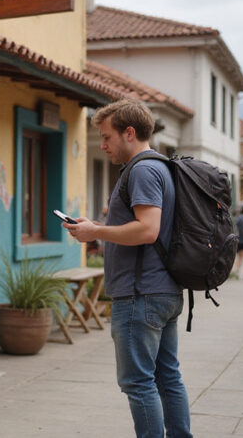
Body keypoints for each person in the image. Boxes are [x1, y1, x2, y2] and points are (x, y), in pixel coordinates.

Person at [64, 99, 191, 438]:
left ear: (129, 133)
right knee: (167, 377)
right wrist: (98, 227)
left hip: (141, 295)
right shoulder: (160, 167)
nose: (103, 145)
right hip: (160, 290)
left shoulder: (143, 170)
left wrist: (96, 231)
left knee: (138, 383)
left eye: (107, 137)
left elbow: (147, 229)